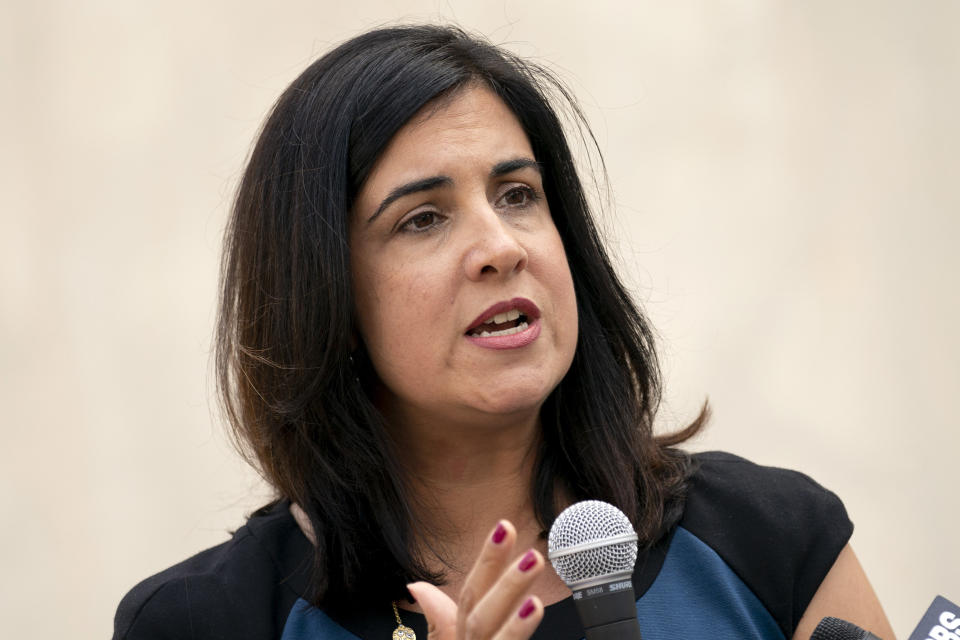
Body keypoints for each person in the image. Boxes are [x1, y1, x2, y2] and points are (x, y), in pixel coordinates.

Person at [113, 24, 894, 640]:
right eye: (423, 219)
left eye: (517, 195)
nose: (500, 247)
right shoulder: (209, 620)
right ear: (327, 301)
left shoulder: (771, 538)